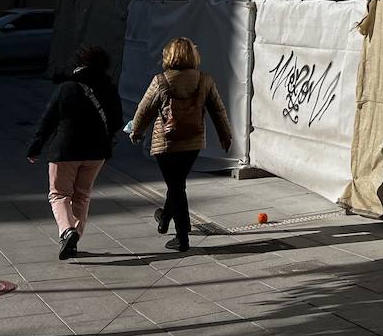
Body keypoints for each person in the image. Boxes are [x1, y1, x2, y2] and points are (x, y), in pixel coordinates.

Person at [128, 37, 232, 252]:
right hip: (193, 142)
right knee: (176, 184)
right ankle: (165, 217)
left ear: (169, 55)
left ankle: (182, 237)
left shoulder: (161, 80)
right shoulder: (204, 80)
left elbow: (144, 109)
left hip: (166, 143)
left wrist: (136, 132)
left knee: (176, 187)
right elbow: (218, 109)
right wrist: (225, 135)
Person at [26, 44, 123, 260]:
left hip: (65, 150)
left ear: (79, 63)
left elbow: (48, 120)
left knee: (59, 194)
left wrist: (35, 147)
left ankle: (67, 231)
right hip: (96, 152)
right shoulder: (109, 88)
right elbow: (116, 120)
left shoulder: (68, 87)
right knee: (82, 195)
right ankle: (74, 238)